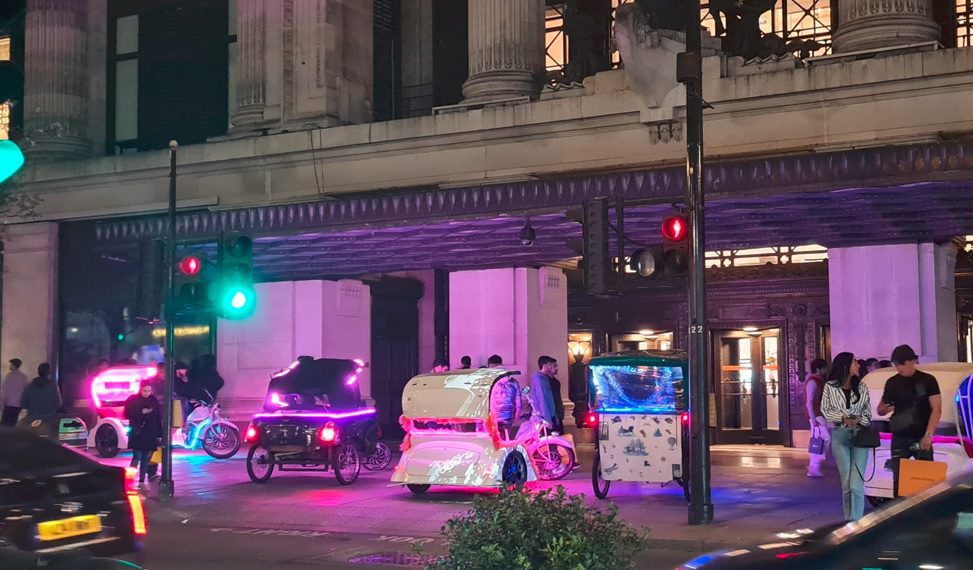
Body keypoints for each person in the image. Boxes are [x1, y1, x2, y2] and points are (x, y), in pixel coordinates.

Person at [877, 344, 941, 498]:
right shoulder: (892, 382)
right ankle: (901, 510)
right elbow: (881, 409)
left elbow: (936, 409)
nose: (899, 368)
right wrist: (884, 409)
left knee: (925, 482)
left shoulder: (928, 380)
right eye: (896, 365)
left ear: (912, 361)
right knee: (899, 482)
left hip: (921, 435)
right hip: (900, 436)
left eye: (902, 364)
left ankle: (925, 511)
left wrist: (928, 435)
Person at [821, 352, 872, 522]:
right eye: (855, 362)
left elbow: (868, 414)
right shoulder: (830, 387)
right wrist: (844, 418)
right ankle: (848, 520)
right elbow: (826, 411)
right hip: (840, 435)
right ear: (845, 366)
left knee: (856, 483)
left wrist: (858, 419)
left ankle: (856, 521)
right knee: (846, 483)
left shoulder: (862, 387)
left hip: (859, 436)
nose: (858, 365)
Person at [124, 380, 162, 488]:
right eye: (145, 390)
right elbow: (127, 414)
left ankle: (141, 481)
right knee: (137, 456)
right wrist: (141, 412)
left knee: (146, 458)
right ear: (140, 390)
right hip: (138, 433)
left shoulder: (153, 400)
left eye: (149, 391)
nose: (147, 393)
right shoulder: (133, 400)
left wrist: (159, 434)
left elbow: (157, 418)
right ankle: (130, 479)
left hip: (150, 433)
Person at [805, 358, 829, 478]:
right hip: (816, 414)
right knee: (823, 439)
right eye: (824, 368)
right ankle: (814, 467)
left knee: (821, 439)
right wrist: (813, 418)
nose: (826, 370)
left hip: (819, 414)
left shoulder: (819, 381)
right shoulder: (813, 382)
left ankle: (814, 466)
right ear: (818, 369)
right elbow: (809, 401)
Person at [529, 356, 561, 433]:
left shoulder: (545, 378)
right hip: (544, 417)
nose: (552, 366)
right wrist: (547, 419)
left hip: (550, 414)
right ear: (544, 365)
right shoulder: (539, 379)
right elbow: (542, 399)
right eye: (550, 364)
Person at [490, 373, 521, 439]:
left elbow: (491, 400)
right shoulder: (514, 383)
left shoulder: (494, 383)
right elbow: (518, 402)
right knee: (507, 434)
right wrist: (517, 415)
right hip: (508, 416)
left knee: (496, 436)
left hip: (496, 416)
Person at [1, 359, 29, 427]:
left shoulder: (9, 376)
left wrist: (1, 403)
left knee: (5, 426)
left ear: (14, 365)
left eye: (11, 364)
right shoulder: (23, 377)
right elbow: (26, 391)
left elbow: (6, 392)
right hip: (18, 405)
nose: (10, 366)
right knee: (13, 424)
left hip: (9, 405)